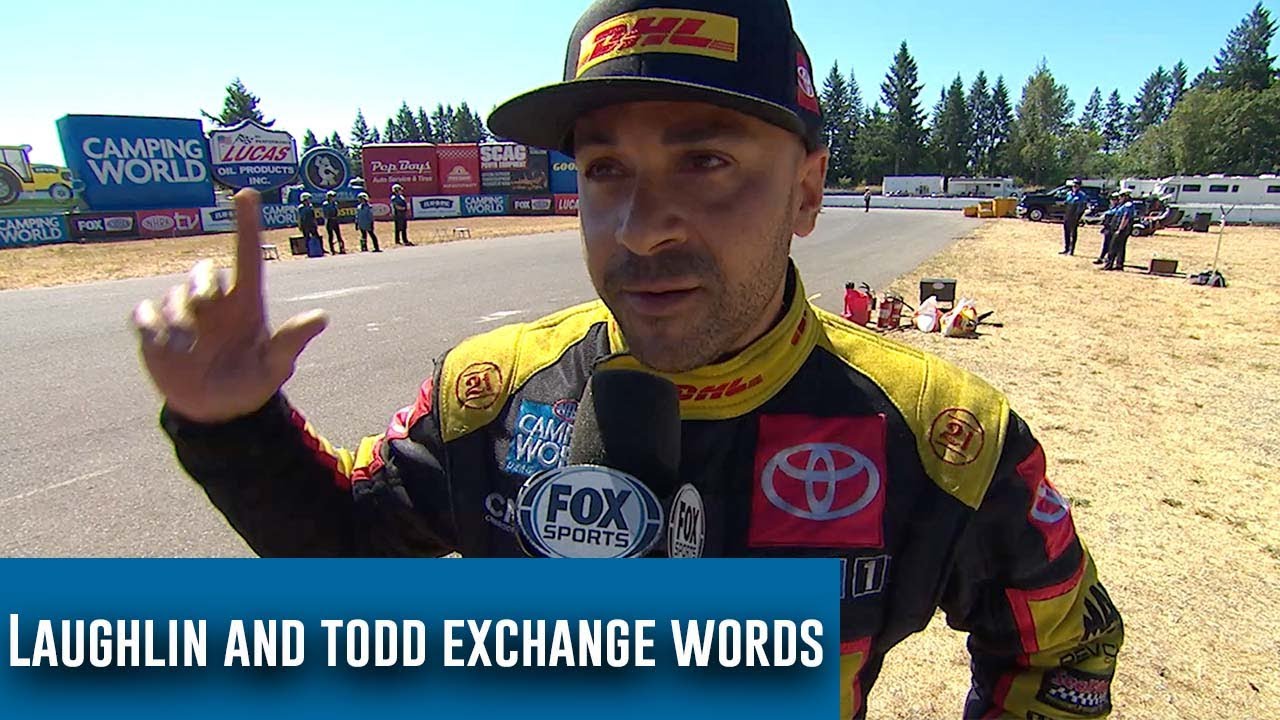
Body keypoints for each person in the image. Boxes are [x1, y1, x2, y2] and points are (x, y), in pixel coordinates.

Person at [131, 1, 1122, 717]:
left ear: (807, 192)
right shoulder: (490, 391)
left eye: (705, 160)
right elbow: (348, 547)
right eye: (606, 169)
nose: (641, 229)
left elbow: (1064, 648)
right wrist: (232, 426)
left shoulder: (940, 436)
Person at [1102, 191, 1136, 271]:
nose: (1119, 198)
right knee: (1120, 247)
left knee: (1113, 246)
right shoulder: (1123, 205)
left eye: (1121, 196)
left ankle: (1109, 265)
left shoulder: (1128, 205)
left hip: (1121, 229)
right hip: (1118, 228)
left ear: (1126, 197)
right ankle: (1119, 265)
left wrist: (1120, 229)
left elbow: (1126, 217)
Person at [1060, 179, 1087, 255]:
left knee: (1073, 233)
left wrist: (1078, 217)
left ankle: (1072, 250)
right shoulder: (1069, 194)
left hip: (1075, 215)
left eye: (1076, 185)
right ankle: (1066, 248)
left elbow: (1082, 207)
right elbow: (1066, 203)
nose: (1074, 186)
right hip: (1067, 214)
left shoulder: (1082, 195)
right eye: (1074, 185)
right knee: (1066, 232)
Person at [1093, 193, 1120, 265]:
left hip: (1112, 228)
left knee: (1111, 245)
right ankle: (1102, 258)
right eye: (1112, 199)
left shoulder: (1118, 208)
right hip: (1107, 228)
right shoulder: (1112, 207)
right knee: (1106, 244)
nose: (1112, 201)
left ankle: (1109, 259)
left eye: (1114, 200)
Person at [321, 190, 346, 254]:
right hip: (329, 220)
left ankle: (342, 248)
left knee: (338, 235)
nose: (333, 198)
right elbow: (325, 213)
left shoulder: (335, 203)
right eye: (332, 196)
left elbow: (337, 211)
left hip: (335, 220)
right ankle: (332, 250)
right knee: (330, 236)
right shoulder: (325, 204)